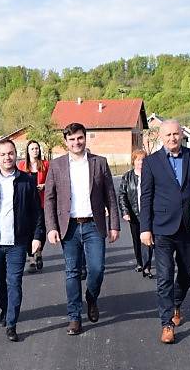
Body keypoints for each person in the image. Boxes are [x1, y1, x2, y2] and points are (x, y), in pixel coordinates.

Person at [139, 119, 190, 344]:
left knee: (189, 272)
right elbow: (146, 197)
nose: (172, 138)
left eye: (176, 134)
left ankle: (176, 303)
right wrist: (145, 228)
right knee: (164, 276)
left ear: (182, 135)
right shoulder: (151, 162)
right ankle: (166, 323)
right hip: (162, 227)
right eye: (168, 134)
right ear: (161, 137)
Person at [43, 122, 119, 336]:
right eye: (72, 139)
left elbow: (110, 196)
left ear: (85, 138)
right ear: (66, 142)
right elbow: (49, 199)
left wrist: (114, 225)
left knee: (97, 268)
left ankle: (91, 297)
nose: (76, 142)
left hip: (94, 224)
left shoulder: (99, 163)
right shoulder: (56, 165)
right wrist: (51, 227)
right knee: (72, 272)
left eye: (80, 138)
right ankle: (74, 317)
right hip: (69, 227)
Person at [0, 139, 45, 341]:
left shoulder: (26, 181)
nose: (7, 157)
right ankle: (5, 309)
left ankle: (12, 323)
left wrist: (37, 236)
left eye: (10, 153)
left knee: (14, 282)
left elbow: (37, 213)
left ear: (16, 154)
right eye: (3, 154)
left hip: (18, 242)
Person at [117, 149, 153, 278]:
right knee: (137, 240)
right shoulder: (128, 176)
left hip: (148, 213)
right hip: (133, 213)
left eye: (143, 159)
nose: (141, 162)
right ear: (134, 161)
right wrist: (125, 211)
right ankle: (139, 262)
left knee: (147, 239)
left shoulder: (151, 175)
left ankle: (147, 266)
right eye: (138, 160)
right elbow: (122, 195)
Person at [17, 139, 50, 272]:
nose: (35, 151)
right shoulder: (22, 165)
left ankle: (39, 250)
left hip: (42, 201)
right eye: (32, 149)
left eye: (37, 148)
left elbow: (53, 181)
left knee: (42, 228)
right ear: (28, 151)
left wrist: (45, 186)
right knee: (27, 230)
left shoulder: (46, 164)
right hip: (27, 203)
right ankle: (31, 257)